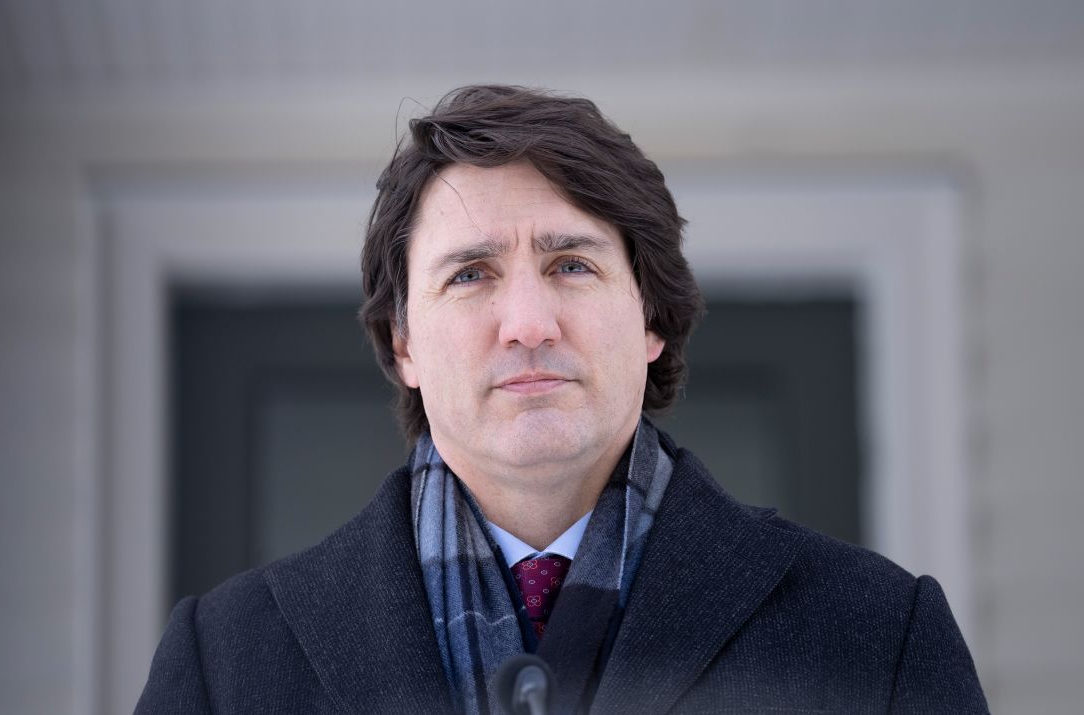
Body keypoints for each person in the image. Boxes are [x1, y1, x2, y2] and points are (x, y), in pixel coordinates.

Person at [136, 85, 988, 714]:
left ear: (650, 315)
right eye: (471, 274)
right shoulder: (225, 659)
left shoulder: (880, 635)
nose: (528, 323)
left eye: (571, 264)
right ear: (404, 344)